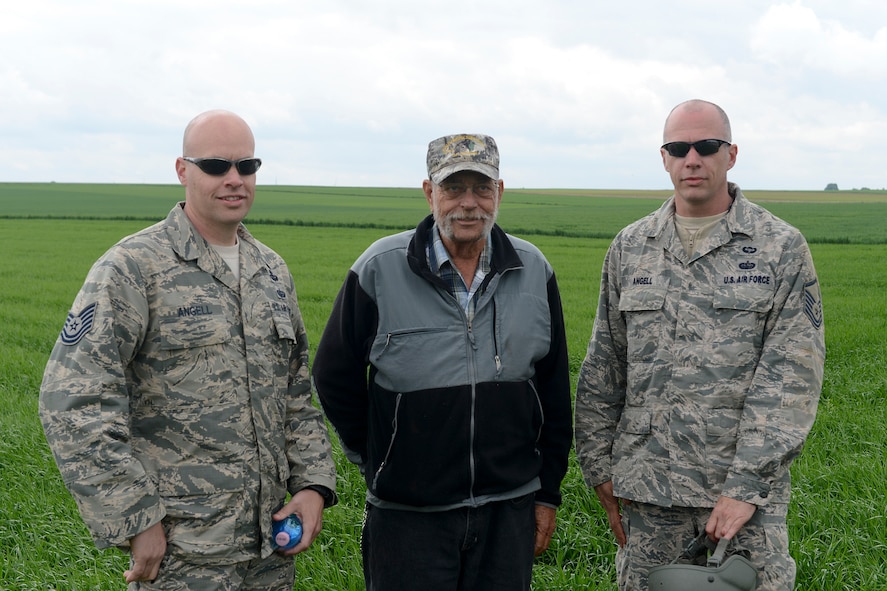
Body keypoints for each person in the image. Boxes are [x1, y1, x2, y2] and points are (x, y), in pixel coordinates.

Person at [39, 110, 337, 590]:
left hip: (271, 552)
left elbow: (297, 394)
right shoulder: (134, 268)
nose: (234, 180)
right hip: (183, 557)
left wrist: (313, 486)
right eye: (216, 166)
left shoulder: (271, 271)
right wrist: (134, 518)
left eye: (247, 166)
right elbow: (72, 400)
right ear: (183, 170)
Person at [574, 99, 825, 591]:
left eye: (707, 147)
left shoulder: (779, 248)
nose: (693, 159)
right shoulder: (631, 247)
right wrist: (599, 468)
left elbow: (790, 378)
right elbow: (605, 364)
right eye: (679, 147)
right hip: (648, 497)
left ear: (730, 155)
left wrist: (745, 488)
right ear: (664, 157)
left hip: (741, 506)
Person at [313, 133, 573, 590]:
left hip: (508, 511)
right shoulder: (380, 268)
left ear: (500, 192)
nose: (468, 204)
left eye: (481, 188)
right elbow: (334, 376)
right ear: (430, 192)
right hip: (408, 517)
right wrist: (379, 456)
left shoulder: (534, 270)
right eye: (454, 188)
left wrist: (546, 493)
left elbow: (552, 390)